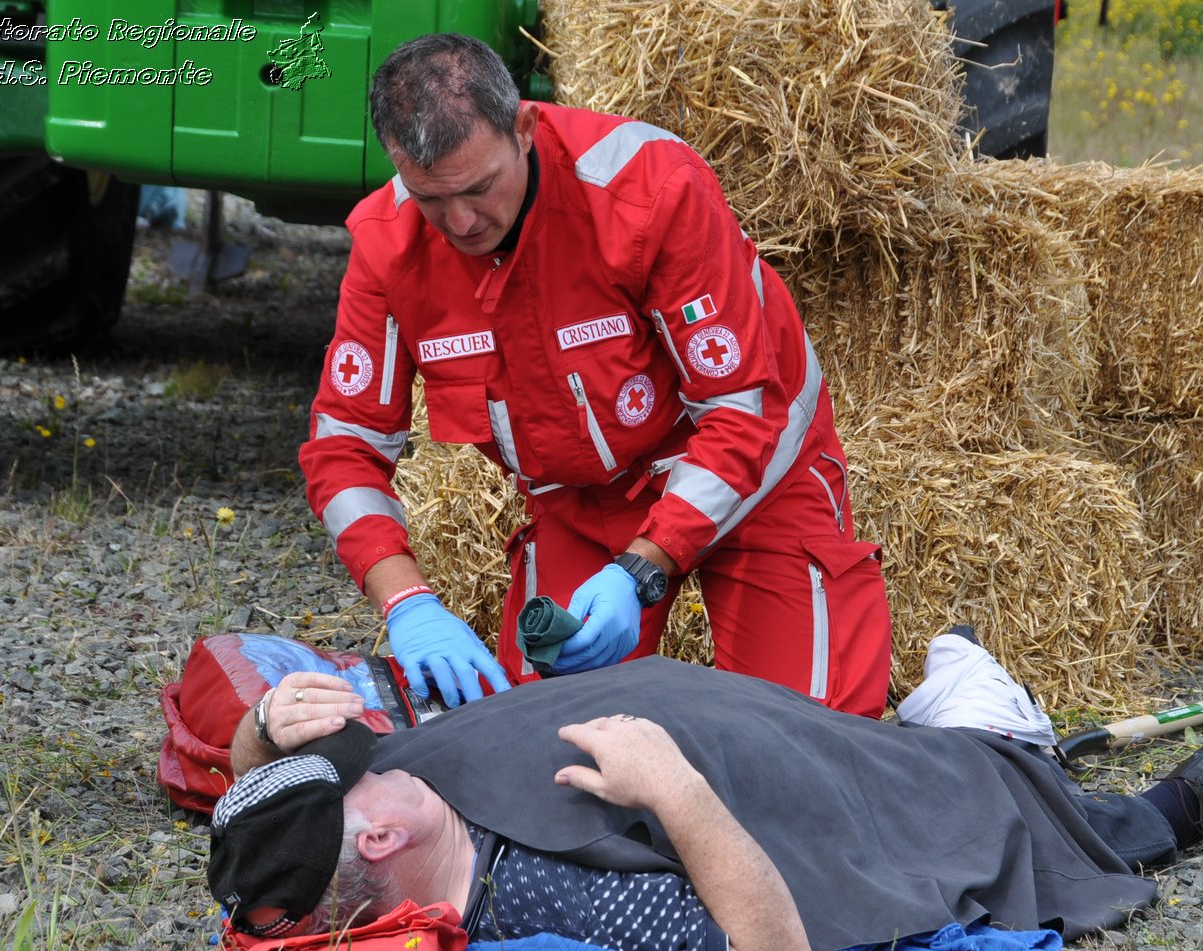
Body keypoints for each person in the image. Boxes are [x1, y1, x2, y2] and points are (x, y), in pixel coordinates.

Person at [299, 33, 891, 715]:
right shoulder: (388, 245)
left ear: (524, 127)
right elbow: (345, 450)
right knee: (541, 749)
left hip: (752, 474)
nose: (461, 222)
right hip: (583, 502)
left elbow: (742, 409)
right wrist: (406, 600)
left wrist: (644, 564)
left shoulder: (648, 190)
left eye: (479, 188)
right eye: (432, 198)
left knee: (804, 738)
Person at [208, 635, 1203, 951]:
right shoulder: (541, 903)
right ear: (380, 838)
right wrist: (675, 789)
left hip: (779, 719)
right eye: (354, 772)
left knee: (936, 696)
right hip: (822, 798)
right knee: (983, 787)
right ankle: (1165, 811)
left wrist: (262, 726)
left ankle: (980, 715)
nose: (367, 753)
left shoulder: (385, 805)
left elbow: (244, 819)